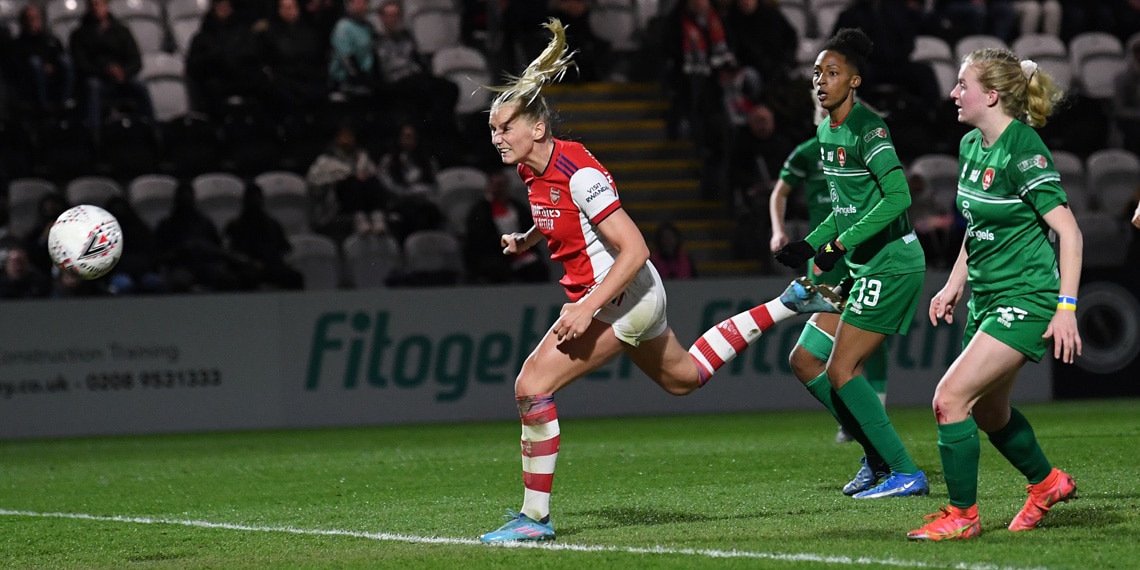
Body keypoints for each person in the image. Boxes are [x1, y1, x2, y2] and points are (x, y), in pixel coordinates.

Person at [479, 18, 845, 544]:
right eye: (493, 130)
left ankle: (534, 519)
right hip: (629, 297)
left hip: (624, 297)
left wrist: (586, 309)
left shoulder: (578, 173)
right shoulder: (533, 170)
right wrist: (529, 239)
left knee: (532, 386)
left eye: (505, 127)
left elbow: (634, 249)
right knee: (684, 379)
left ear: (537, 128)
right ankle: (789, 303)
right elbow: (558, 214)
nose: (497, 138)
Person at [907, 48, 1082, 541]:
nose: (953, 93)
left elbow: (1069, 233)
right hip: (986, 298)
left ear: (992, 95)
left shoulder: (1024, 150)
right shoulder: (970, 146)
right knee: (988, 410)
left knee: (949, 399)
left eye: (963, 84)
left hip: (1026, 297)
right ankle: (1047, 484)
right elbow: (978, 224)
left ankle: (963, 516)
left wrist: (1066, 308)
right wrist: (954, 283)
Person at [774, 28, 929, 499]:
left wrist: (837, 247)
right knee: (804, 361)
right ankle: (877, 455)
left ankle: (904, 471)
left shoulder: (870, 128)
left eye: (833, 72)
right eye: (817, 72)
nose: (822, 80)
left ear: (855, 81)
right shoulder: (825, 131)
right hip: (862, 264)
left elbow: (897, 197)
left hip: (892, 263)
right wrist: (810, 242)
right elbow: (847, 207)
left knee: (841, 369)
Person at [769, 105, 892, 447]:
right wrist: (779, 231)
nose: (826, 112)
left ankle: (872, 415)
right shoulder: (810, 152)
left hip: (863, 250)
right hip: (825, 257)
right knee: (825, 345)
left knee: (868, 338)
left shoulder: (862, 144)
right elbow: (779, 191)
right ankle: (852, 419)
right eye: (820, 107)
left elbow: (893, 196)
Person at [68, 0, 155, 132]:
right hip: (98, 79)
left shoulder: (122, 31)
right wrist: (105, 71)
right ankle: (94, 133)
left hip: (122, 79)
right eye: (92, 5)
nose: (96, 8)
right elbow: (81, 65)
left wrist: (123, 72)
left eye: (99, 4)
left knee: (140, 86)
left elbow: (136, 61)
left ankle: (151, 129)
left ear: (106, 6)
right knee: (92, 86)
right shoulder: (79, 34)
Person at [464, 170, 549, 284]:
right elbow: (478, 237)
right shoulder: (480, 210)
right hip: (494, 253)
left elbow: (532, 228)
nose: (499, 189)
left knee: (537, 268)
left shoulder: (518, 207)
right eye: (496, 185)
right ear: (489, 187)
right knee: (496, 269)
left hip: (521, 251)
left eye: (502, 185)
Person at [12, 4, 75, 118]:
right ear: (22, 22)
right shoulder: (17, 45)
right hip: (30, 85)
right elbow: (16, 68)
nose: (32, 22)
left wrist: (51, 67)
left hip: (54, 82)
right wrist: (39, 68)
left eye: (34, 18)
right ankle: (43, 108)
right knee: (34, 63)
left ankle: (62, 104)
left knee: (65, 61)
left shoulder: (52, 40)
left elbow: (59, 56)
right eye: (28, 19)